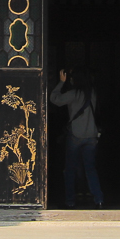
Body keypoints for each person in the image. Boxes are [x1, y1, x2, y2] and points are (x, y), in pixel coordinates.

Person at [50, 68, 103, 208]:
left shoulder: (73, 94)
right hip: (91, 136)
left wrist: (61, 83)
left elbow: (55, 99)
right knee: (90, 169)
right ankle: (99, 199)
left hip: (76, 135)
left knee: (70, 169)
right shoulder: (92, 93)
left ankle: (70, 201)